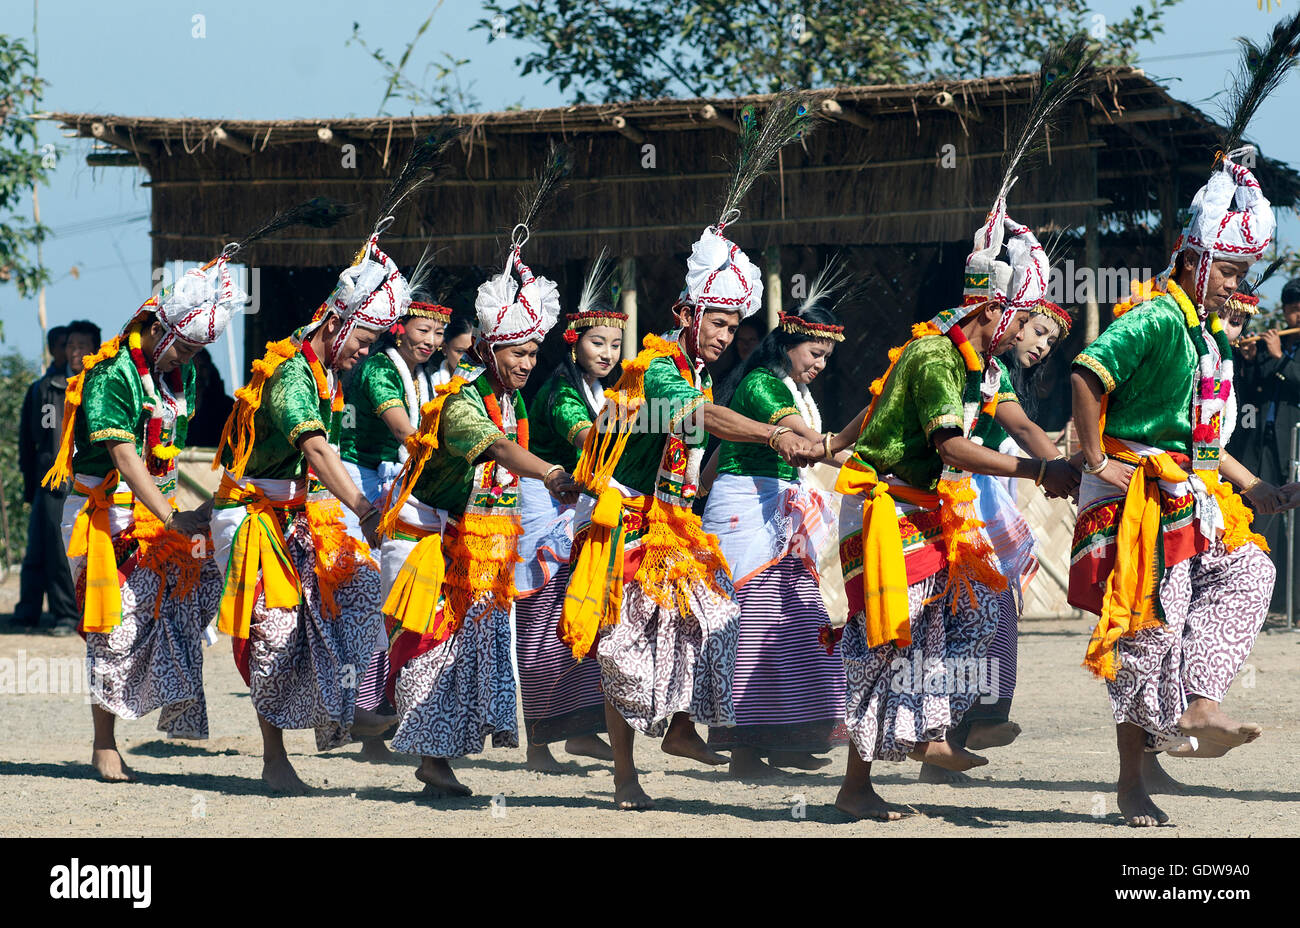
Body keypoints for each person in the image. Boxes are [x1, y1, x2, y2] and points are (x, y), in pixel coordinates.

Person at [559, 95, 824, 810]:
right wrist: (774, 434)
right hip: (627, 522)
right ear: (686, 314)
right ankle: (625, 775)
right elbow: (698, 415)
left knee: (713, 620)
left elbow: (699, 436)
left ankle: (678, 726)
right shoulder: (659, 365)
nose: (726, 333)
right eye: (717, 320)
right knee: (623, 650)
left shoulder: (698, 366)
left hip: (675, 521)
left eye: (735, 322)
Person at [1069, 144, 1293, 826]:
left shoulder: (1205, 336)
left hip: (1189, 496)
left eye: (1241, 272)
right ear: (1194, 261)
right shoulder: (1156, 318)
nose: (1236, 284)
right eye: (1229, 269)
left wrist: (1254, 485)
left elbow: (1201, 443)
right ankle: (1131, 783)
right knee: (1145, 637)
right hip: (1134, 497)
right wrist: (1091, 459)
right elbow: (1085, 372)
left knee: (1251, 570)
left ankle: (1196, 701)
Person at [209, 187, 430, 793]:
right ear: (336, 323)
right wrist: (362, 507)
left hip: (301, 510)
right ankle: (274, 756)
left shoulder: (328, 373)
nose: (361, 356)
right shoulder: (289, 374)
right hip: (250, 513)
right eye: (360, 343)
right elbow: (314, 449)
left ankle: (354, 705)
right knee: (275, 629)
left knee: (358, 589)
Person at [377, 180, 580, 798]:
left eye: (531, 353)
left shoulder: (513, 396)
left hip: (484, 547)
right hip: (430, 539)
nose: (524, 363)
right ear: (491, 348)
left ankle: (437, 760)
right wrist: (548, 472)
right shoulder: (462, 398)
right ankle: (424, 757)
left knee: (472, 654)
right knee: (433, 648)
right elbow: (495, 448)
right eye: (515, 352)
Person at [41, 254, 247, 781]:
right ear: (156, 329)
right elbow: (125, 456)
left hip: (159, 513)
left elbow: (169, 448)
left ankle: (175, 706)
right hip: (103, 516)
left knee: (188, 601)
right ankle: (103, 743)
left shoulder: (181, 376)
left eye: (198, 352)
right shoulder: (111, 374)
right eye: (183, 346)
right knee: (111, 627)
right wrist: (172, 515)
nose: (188, 359)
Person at [700, 263, 849, 778]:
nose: (821, 365)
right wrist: (866, 457)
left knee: (801, 624)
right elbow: (807, 444)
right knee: (759, 628)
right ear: (789, 344)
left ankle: (788, 738)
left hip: (778, 511)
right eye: (815, 353)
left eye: (827, 357)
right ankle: (745, 749)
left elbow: (718, 456)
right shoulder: (765, 385)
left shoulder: (785, 384)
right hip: (751, 508)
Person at [922, 298, 1075, 782]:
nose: (1041, 344)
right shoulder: (949, 362)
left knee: (986, 614)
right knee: (960, 618)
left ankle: (962, 734)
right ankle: (948, 735)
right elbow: (1015, 435)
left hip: (978, 504)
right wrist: (1062, 472)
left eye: (1049, 340)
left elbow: (1025, 431)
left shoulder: (992, 376)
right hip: (945, 504)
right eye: (1035, 330)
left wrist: (1069, 474)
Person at [338, 252, 451, 763]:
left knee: (397, 602)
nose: (430, 341)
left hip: (398, 486)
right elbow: (404, 430)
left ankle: (380, 723)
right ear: (399, 329)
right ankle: (367, 726)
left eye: (436, 334)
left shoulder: (423, 375)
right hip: (362, 486)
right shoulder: (382, 370)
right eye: (421, 330)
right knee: (377, 602)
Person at [514, 252, 622, 773]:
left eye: (615, 345)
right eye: (597, 343)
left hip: (577, 507)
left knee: (581, 616)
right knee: (541, 621)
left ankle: (578, 732)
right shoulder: (560, 392)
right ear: (574, 344)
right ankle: (538, 743)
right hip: (545, 512)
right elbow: (586, 441)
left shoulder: (604, 390)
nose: (607, 353)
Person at [16, 322, 97, 633]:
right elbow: (30, 440)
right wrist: (29, 484)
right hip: (48, 481)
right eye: (70, 346)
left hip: (79, 480)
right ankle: (27, 611)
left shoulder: (96, 385)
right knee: (37, 548)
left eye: (81, 346)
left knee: (64, 550)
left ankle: (67, 614)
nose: (75, 352)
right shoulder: (45, 387)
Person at [1228, 276, 1300, 614]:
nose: (1295, 316)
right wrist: (1252, 359)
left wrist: (1279, 358)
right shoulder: (1281, 345)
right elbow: (1256, 391)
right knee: (1265, 514)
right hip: (1266, 443)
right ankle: (1269, 600)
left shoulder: (1286, 351)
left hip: (1296, 445)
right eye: (1291, 309)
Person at [185, 348, 236, 448]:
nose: (198, 373)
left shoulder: (226, 407)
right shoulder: (172, 403)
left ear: (209, 370)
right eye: (193, 367)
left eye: (202, 367)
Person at [431, 314, 474, 388]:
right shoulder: (432, 384)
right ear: (444, 348)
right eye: (460, 351)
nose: (467, 359)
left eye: (473, 352)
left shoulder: (488, 383)